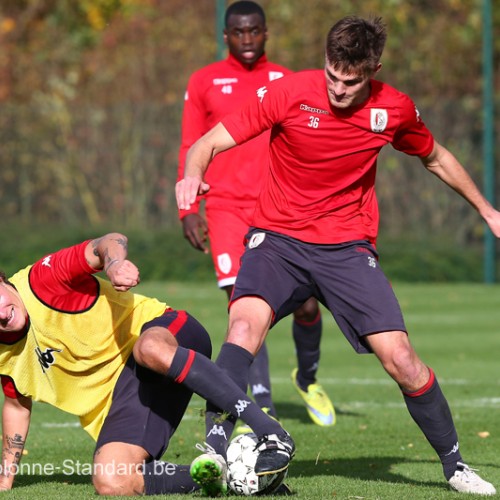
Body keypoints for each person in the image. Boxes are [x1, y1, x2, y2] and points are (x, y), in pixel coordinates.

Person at [176, 15, 499, 496]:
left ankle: (454, 466)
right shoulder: (289, 92)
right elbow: (209, 142)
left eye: (351, 81)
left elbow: (437, 158)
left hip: (347, 249)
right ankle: (216, 448)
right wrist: (190, 182)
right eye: (332, 76)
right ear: (324, 61)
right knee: (242, 327)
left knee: (403, 360)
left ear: (373, 70)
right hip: (278, 240)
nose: (339, 89)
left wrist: (488, 211)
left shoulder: (393, 109)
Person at [0, 232, 295, 497]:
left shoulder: (42, 280)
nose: (0, 313)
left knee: (148, 348)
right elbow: (16, 405)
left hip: (166, 336)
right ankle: (233, 477)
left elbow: (107, 241)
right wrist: (5, 479)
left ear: (2, 280)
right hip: (127, 391)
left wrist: (113, 264)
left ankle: (271, 432)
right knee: (111, 481)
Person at [177, 0, 335, 429]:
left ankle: (307, 378)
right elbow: (192, 142)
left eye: (255, 31)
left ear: (266, 33)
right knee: (243, 305)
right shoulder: (205, 81)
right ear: (226, 36)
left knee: (305, 305)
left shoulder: (286, 80)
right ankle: (259, 404)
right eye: (238, 32)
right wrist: (188, 207)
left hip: (281, 208)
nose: (247, 39)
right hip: (226, 206)